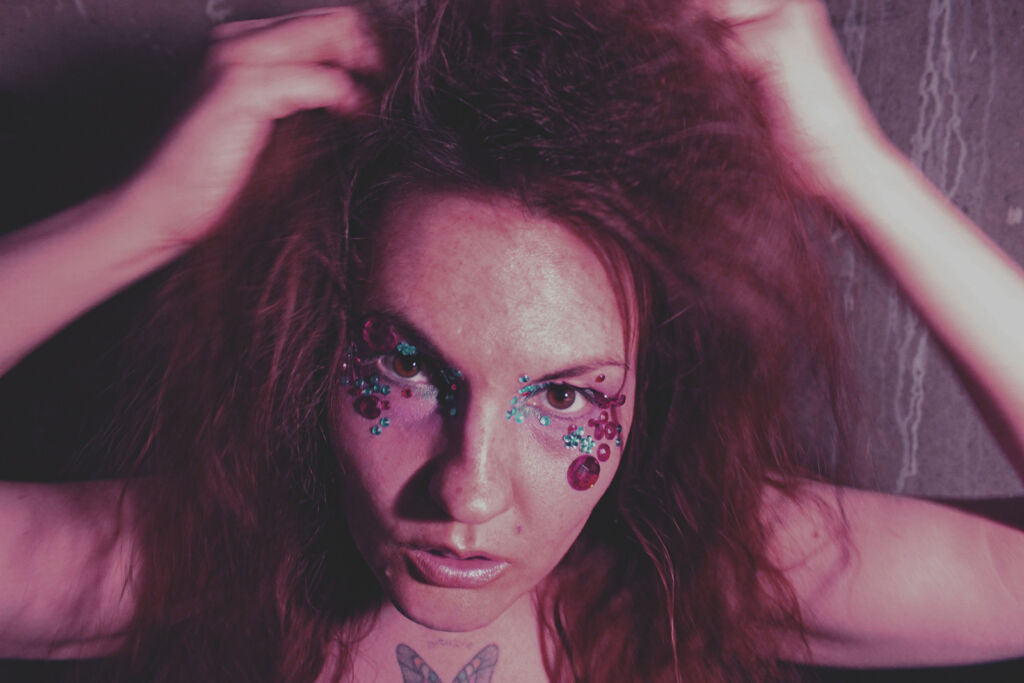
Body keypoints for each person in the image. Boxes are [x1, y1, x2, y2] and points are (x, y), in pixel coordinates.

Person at [1, 0, 1024, 681]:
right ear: (312, 343)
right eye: (409, 368)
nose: (468, 493)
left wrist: (859, 171)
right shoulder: (199, 555)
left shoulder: (715, 568)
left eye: (566, 396)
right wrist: (142, 221)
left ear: (651, 388)